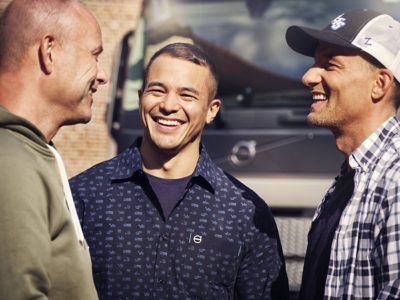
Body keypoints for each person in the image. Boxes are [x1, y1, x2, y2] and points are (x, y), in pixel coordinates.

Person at [70, 42, 289, 300]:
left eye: (187, 95)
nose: (169, 105)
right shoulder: (83, 196)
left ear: (211, 110)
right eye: (157, 90)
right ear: (141, 97)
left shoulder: (246, 214)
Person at [285, 9, 400, 299]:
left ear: (380, 85)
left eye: (330, 65)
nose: (308, 77)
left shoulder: (396, 181)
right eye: (314, 64)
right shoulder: (353, 176)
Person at [0, 0, 107, 299]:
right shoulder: (10, 162)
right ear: (49, 51)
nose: (102, 75)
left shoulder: (31, 152)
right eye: (94, 55)